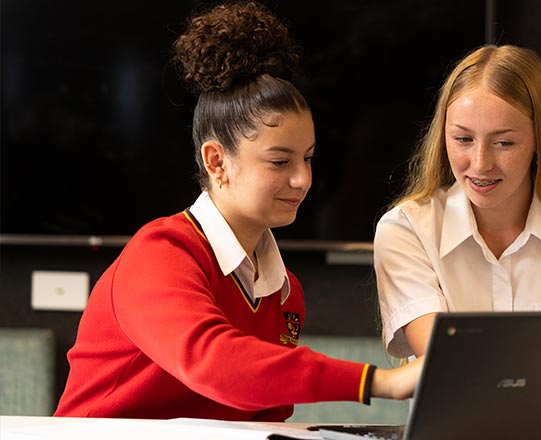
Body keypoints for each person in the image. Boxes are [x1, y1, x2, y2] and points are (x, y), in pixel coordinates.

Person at [55, 2, 420, 421]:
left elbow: (262, 415)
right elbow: (213, 362)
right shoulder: (161, 252)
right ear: (217, 162)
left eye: (309, 158)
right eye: (280, 162)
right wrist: (379, 381)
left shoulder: (286, 293)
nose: (303, 179)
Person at [373, 44, 541, 418]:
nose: (480, 163)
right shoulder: (405, 231)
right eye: (462, 139)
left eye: (504, 142)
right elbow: (449, 366)